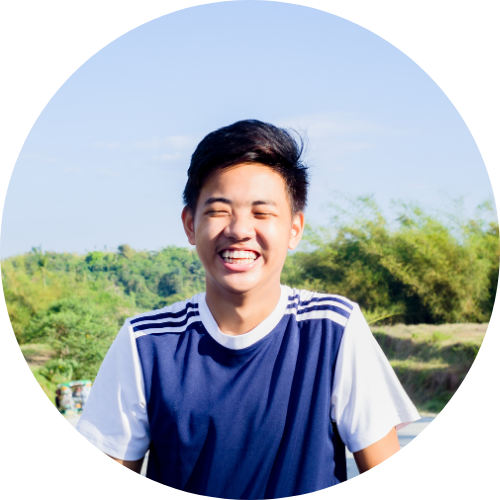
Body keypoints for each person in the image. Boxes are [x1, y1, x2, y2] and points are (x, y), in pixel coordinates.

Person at [76, 119, 420, 497]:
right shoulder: (145, 344)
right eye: (219, 210)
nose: (239, 230)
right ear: (190, 224)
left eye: (262, 212)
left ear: (294, 228)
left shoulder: (333, 330)